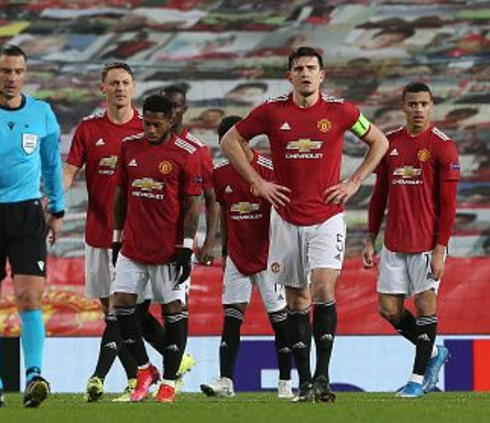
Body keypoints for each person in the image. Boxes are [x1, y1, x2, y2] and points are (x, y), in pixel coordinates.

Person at [220, 47, 389, 402]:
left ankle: (323, 377)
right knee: (297, 299)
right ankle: (306, 380)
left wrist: (355, 180)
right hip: (285, 218)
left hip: (327, 216)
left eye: (312, 68)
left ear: (322, 75)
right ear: (290, 76)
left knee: (323, 289)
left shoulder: (341, 111)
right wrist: (258, 181)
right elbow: (230, 140)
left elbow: (380, 140)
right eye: (299, 69)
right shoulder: (270, 112)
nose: (306, 73)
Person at [362, 82, 460, 397]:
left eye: (424, 104)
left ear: (431, 106)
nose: (418, 109)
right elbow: (379, 195)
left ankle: (417, 381)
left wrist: (440, 249)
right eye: (413, 104)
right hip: (394, 243)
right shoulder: (389, 143)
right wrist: (370, 237)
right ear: (403, 106)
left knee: (424, 305)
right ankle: (435, 351)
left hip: (427, 244)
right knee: (389, 310)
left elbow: (449, 205)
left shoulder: (443, 146)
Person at [110, 94, 202, 403]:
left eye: (156, 125)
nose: (150, 130)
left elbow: (192, 204)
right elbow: (121, 193)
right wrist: (116, 237)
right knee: (121, 305)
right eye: (146, 123)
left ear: (170, 121)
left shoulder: (186, 153)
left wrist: (186, 247)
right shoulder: (129, 148)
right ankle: (144, 370)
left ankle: (170, 382)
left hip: (169, 250)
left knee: (173, 309)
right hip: (133, 247)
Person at [0, 44, 65, 408]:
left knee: (30, 296)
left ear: (25, 75)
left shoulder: (41, 113)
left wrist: (58, 209)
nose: (11, 78)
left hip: (27, 214)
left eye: (18, 71)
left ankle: (34, 376)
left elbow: (51, 164)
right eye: (6, 71)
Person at [63, 61, 142, 403]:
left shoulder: (146, 128)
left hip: (135, 237)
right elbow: (69, 170)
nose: (120, 88)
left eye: (125, 82)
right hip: (98, 233)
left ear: (133, 87)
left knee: (122, 310)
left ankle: (101, 377)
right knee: (110, 309)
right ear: (103, 89)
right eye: (114, 83)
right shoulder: (88, 128)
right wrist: (56, 198)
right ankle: (139, 376)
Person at [200, 116, 293, 399]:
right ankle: (226, 381)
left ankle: (285, 384)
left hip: (269, 257)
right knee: (231, 318)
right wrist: (223, 249)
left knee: (280, 320)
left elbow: (286, 211)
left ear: (245, 140)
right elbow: (224, 212)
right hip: (237, 257)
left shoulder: (269, 170)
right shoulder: (220, 173)